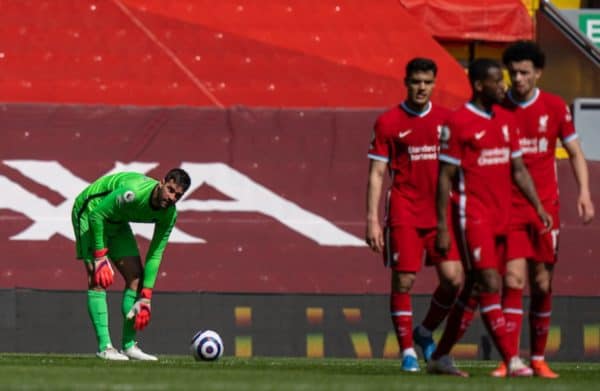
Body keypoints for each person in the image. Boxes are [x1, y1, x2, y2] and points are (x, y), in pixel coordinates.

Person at [426, 58, 552, 377]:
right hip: (473, 216)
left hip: (503, 217)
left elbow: (519, 170)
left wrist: (537, 206)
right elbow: (444, 177)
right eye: (497, 81)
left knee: (472, 290)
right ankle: (512, 359)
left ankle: (440, 356)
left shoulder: (506, 120)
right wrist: (442, 225)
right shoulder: (458, 122)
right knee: (489, 282)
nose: (504, 86)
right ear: (480, 85)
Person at [489, 41, 595, 378]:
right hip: (509, 209)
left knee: (543, 283)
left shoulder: (554, 106)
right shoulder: (498, 108)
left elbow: (575, 152)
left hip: (545, 208)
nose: (517, 79)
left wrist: (585, 194)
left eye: (524, 72)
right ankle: (511, 359)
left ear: (538, 73)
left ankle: (537, 358)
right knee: (513, 278)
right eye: (513, 72)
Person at [366, 57, 464, 372]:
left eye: (427, 82)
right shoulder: (388, 122)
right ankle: (408, 351)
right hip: (404, 209)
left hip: (440, 212)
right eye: (415, 81)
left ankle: (424, 332)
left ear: (434, 84)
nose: (421, 87)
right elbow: (377, 174)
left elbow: (462, 167)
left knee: (453, 279)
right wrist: (371, 220)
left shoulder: (448, 120)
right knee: (404, 280)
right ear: (406, 82)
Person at [71, 168, 191, 360]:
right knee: (98, 278)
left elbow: (155, 254)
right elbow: (96, 215)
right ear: (161, 182)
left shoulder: (169, 215)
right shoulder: (133, 192)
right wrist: (100, 257)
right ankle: (105, 347)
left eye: (178, 195)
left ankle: (128, 346)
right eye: (170, 190)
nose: (172, 197)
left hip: (117, 220)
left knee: (136, 277)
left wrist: (146, 297)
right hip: (90, 211)